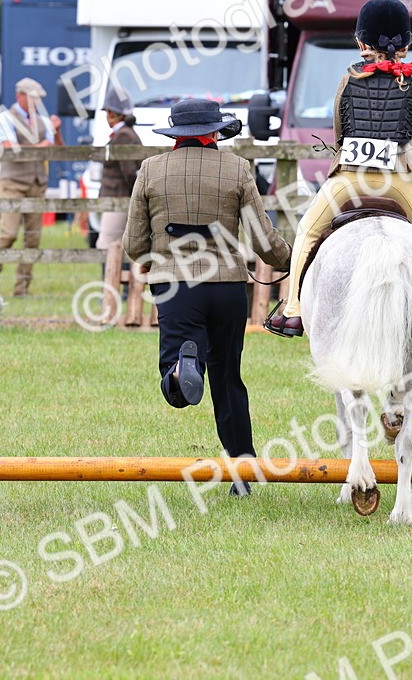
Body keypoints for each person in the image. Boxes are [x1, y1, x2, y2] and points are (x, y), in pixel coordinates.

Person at [264, 0, 412, 346]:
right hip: (399, 181)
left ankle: (293, 309)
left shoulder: (349, 80)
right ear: (405, 43)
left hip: (350, 180)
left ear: (361, 42)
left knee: (308, 232)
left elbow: (340, 132)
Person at [124, 99, 291, 496]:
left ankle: (184, 363)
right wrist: (290, 259)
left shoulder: (151, 169)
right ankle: (243, 471)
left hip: (176, 287)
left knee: (177, 385)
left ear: (175, 135)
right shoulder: (237, 168)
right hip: (228, 288)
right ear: (214, 132)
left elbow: (133, 244)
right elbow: (263, 239)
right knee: (228, 378)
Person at [0, 77, 63, 297]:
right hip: (12, 182)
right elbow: (10, 148)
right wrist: (41, 145)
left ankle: (22, 288)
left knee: (32, 239)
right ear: (20, 96)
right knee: (8, 234)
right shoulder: (4, 118)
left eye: (38, 98)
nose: (36, 101)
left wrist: (57, 131)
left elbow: (58, 149)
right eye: (33, 97)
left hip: (37, 183)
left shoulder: (43, 121)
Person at [96, 85, 143, 252]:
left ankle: (109, 279)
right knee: (118, 245)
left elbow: (129, 172)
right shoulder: (125, 133)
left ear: (111, 113)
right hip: (119, 196)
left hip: (119, 196)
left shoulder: (123, 135)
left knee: (106, 244)